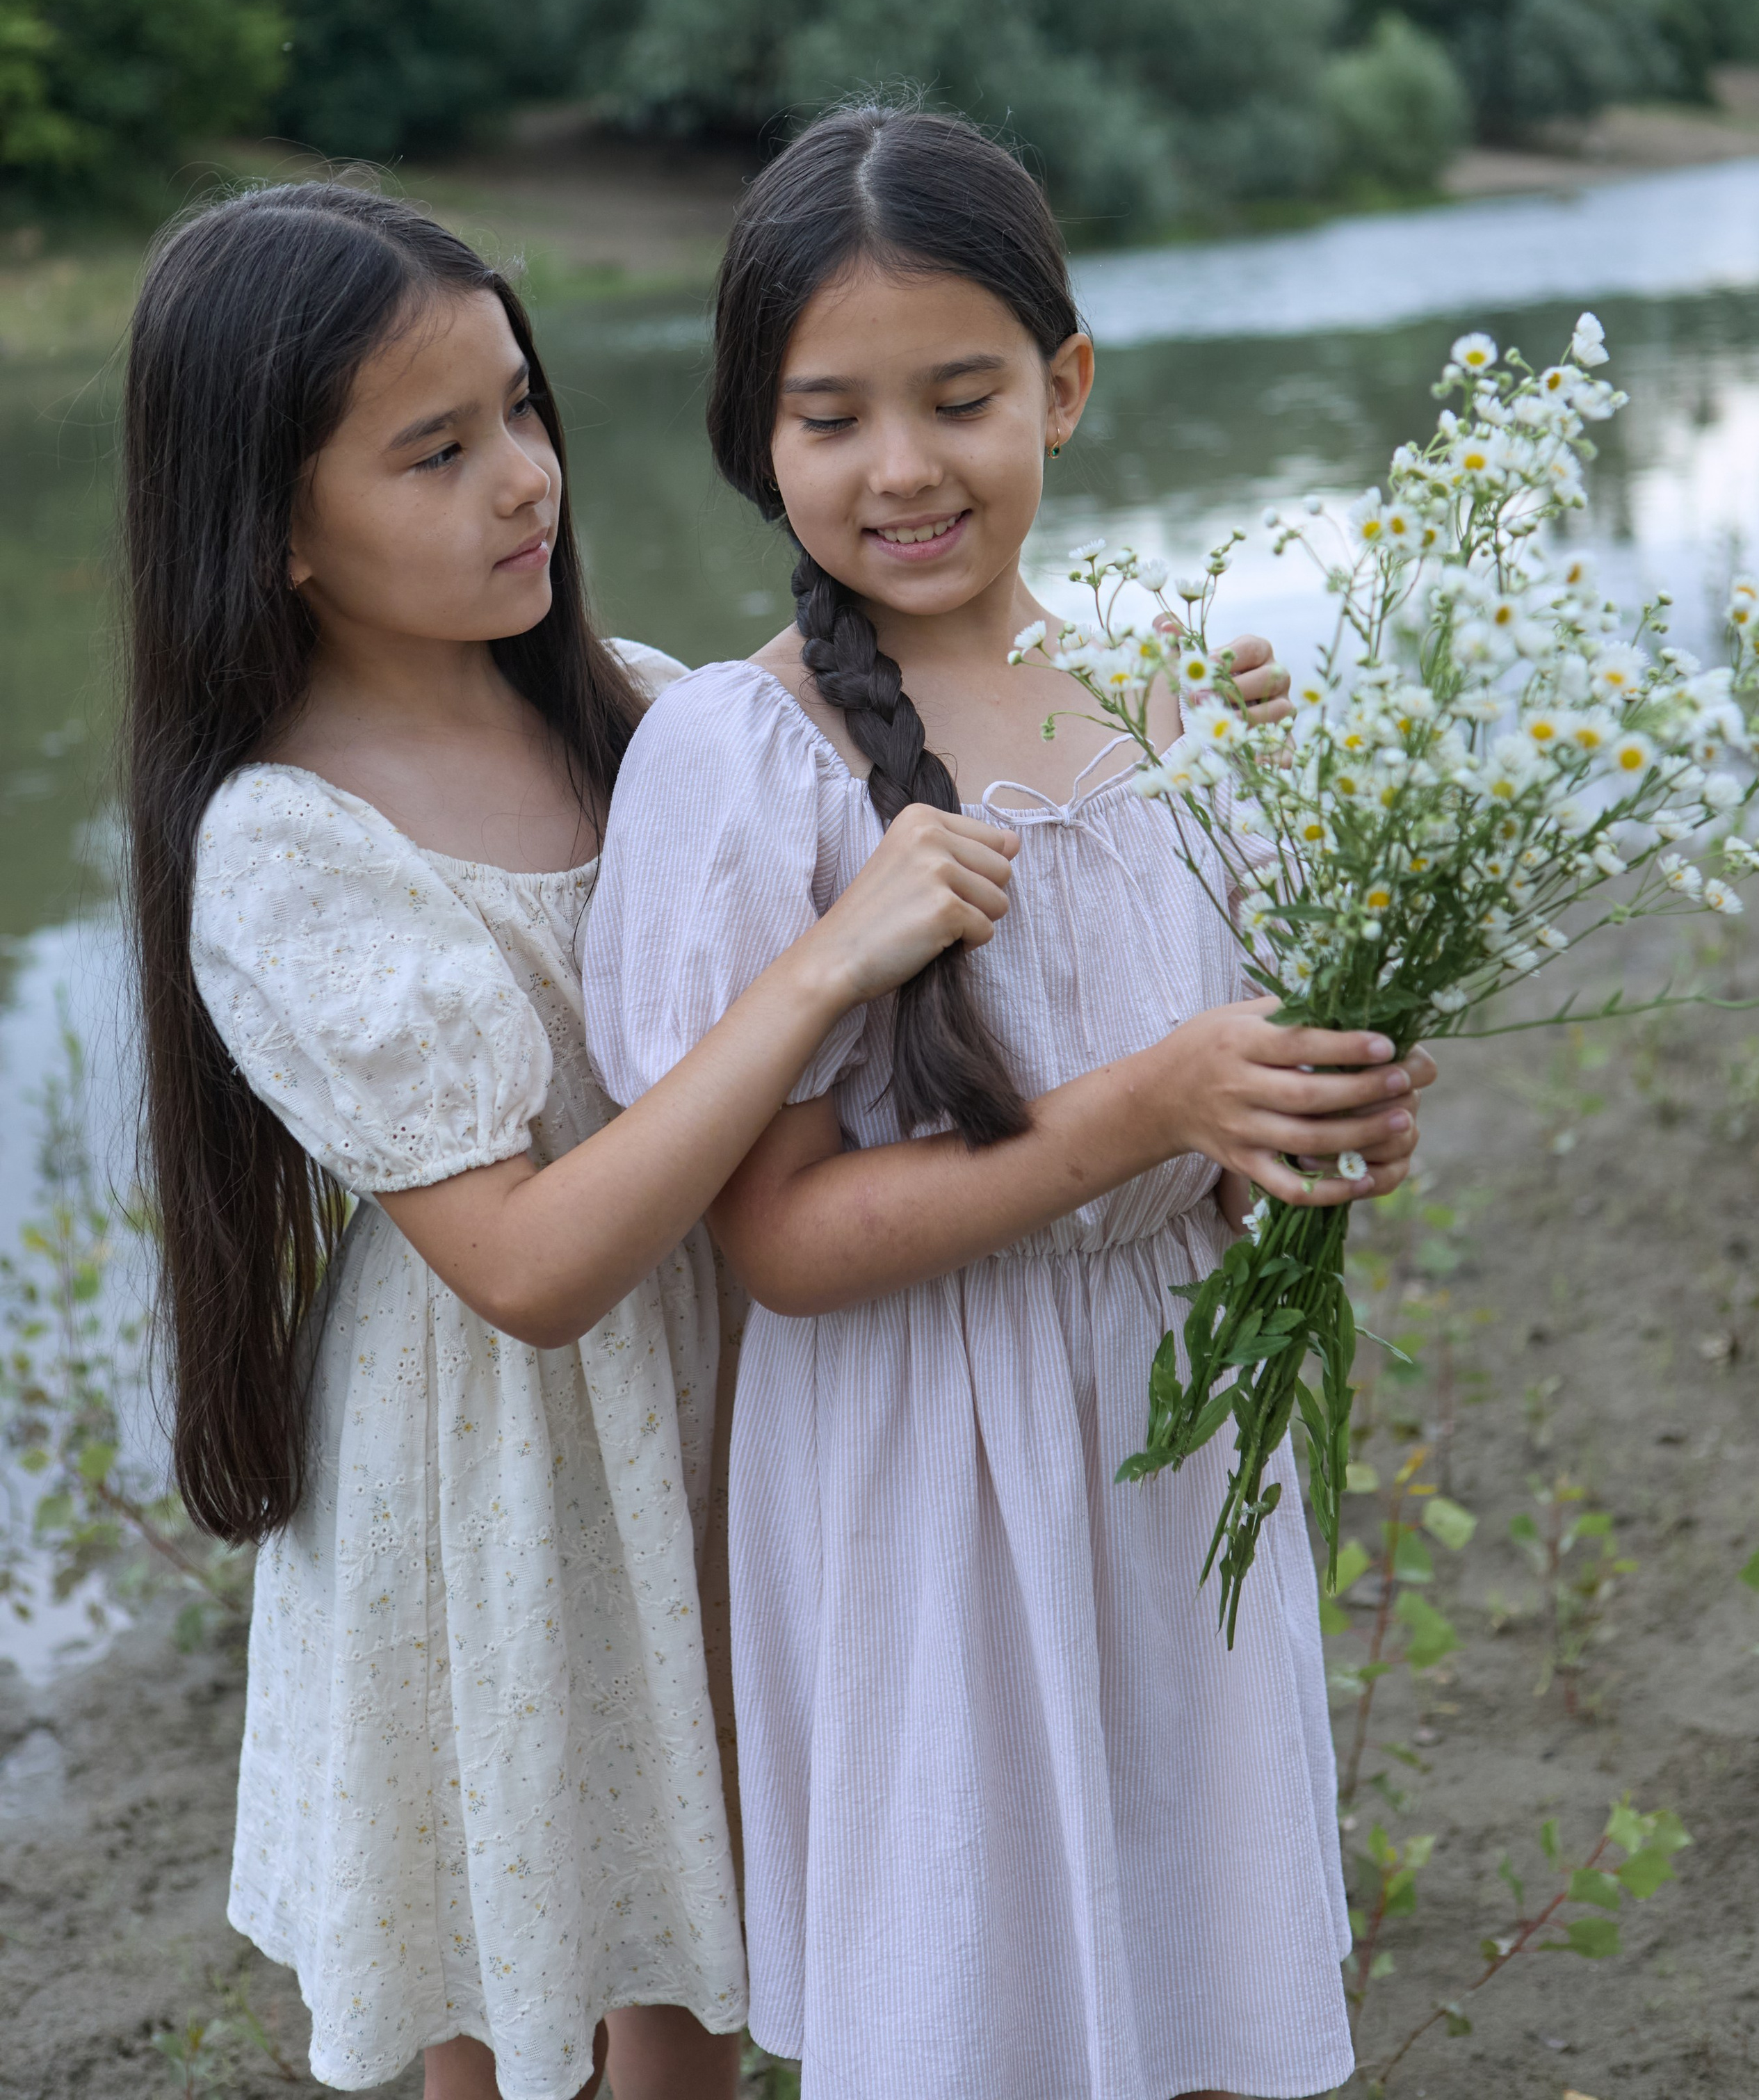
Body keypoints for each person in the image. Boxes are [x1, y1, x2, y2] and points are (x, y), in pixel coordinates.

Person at [122, 181, 1025, 2100]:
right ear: (277, 525)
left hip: (707, 1404)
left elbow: (945, 798)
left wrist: (1181, 708)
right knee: (513, 1964)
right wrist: (813, 971)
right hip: (496, 1478)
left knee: (687, 1983)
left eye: (522, 412)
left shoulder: (646, 714)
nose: (524, 478)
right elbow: (525, 1268)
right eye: (438, 451)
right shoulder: (288, 845)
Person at [582, 108, 1436, 2100]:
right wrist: (1152, 1108)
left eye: (961, 397)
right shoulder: (741, 761)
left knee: (1198, 1967)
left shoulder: (1179, 709)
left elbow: (1221, 1128)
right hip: (923, 1475)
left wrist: (1315, 1123)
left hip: (1164, 1428)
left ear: (1062, 383)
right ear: (756, 439)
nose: (902, 468)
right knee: (975, 2008)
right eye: (830, 418)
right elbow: (780, 1244)